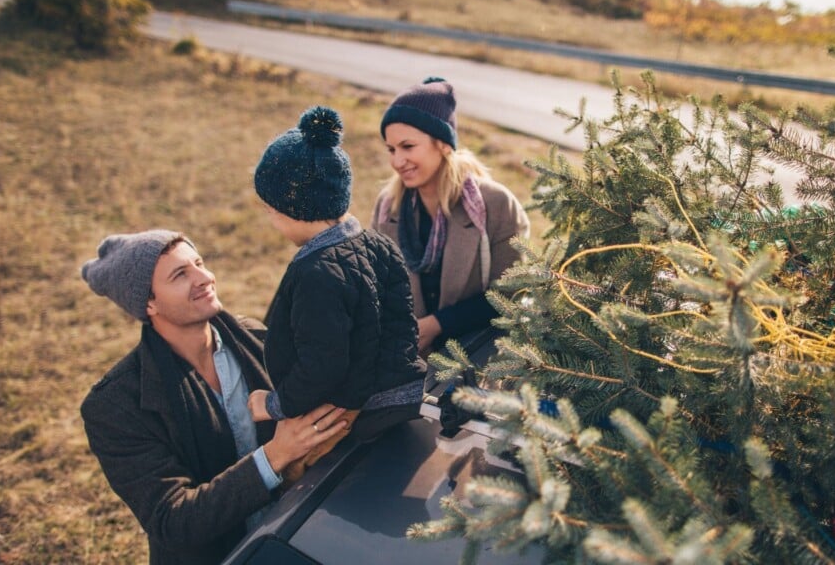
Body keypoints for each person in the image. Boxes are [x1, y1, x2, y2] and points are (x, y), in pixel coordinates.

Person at [80, 230, 349, 565]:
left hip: (299, 537)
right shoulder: (116, 406)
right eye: (181, 274)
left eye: (199, 263)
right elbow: (173, 521)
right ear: (148, 303)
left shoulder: (260, 341)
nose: (205, 278)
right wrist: (275, 455)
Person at [247, 106, 426, 481]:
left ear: (291, 209)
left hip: (348, 413)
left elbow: (322, 365)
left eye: (270, 210)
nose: (271, 219)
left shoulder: (316, 273)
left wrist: (274, 403)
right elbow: (401, 325)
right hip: (397, 393)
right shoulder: (380, 244)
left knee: (294, 477)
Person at [373, 77, 530, 356]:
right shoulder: (388, 208)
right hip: (407, 358)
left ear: (443, 144)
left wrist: (437, 324)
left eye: (408, 147)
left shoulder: (496, 205)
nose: (397, 161)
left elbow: (512, 294)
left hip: (481, 358)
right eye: (391, 149)